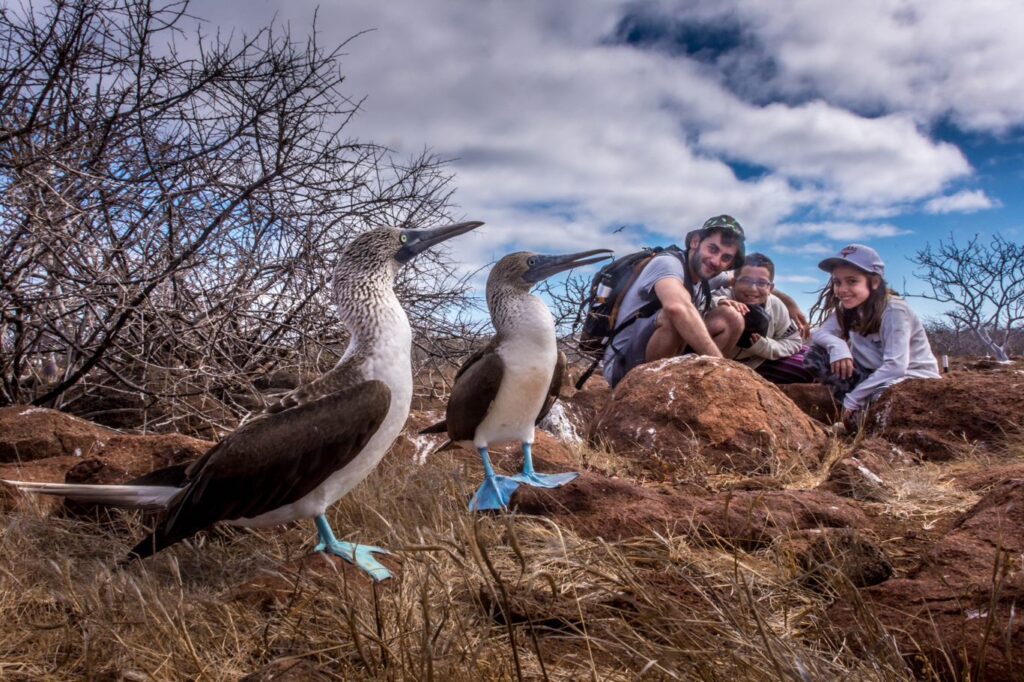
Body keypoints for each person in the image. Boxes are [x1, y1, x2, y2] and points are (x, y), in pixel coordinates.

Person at [602, 215, 746, 387]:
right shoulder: (668, 264)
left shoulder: (704, 275)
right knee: (675, 317)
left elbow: (738, 279)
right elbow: (677, 307)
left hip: (662, 358)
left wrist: (771, 292)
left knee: (732, 318)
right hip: (623, 367)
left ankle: (700, 387)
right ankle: (652, 392)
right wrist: (722, 367)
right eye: (713, 249)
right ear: (695, 242)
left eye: (726, 258)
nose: (716, 261)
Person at [805, 244, 940, 427]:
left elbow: (896, 366)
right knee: (815, 356)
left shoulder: (894, 310)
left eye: (852, 281)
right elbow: (820, 334)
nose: (842, 289)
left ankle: (860, 418)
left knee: (883, 398)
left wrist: (853, 399)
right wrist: (838, 346)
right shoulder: (848, 308)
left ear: (874, 282)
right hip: (872, 375)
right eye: (838, 282)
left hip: (909, 379)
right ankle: (857, 416)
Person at [712, 253, 814, 384]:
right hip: (734, 363)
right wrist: (721, 303)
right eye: (746, 281)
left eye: (761, 283)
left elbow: (793, 341)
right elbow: (706, 305)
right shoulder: (723, 297)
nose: (753, 289)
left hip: (758, 357)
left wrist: (762, 346)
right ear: (733, 282)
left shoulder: (775, 305)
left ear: (770, 288)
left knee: (812, 357)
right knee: (802, 370)